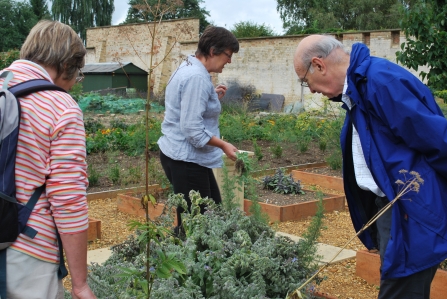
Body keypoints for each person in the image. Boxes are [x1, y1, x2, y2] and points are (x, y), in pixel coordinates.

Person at [293, 35, 447, 299]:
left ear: (319, 65)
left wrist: (423, 206)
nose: (311, 90)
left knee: (401, 289)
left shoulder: (380, 82)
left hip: (412, 210)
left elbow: (438, 140)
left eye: (305, 81)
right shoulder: (359, 88)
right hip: (394, 209)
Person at [0, 20, 95, 298]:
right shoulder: (61, 106)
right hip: (25, 251)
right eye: (77, 74)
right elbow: (68, 200)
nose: (75, 84)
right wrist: (80, 283)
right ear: (67, 66)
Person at [157, 26, 239, 230]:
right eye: (227, 55)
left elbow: (186, 102)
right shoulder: (197, 78)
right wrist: (223, 145)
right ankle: (183, 260)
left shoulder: (187, 66)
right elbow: (193, 130)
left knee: (208, 215)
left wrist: (210, 95)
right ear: (212, 51)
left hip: (178, 156)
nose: (229, 61)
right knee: (197, 227)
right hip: (186, 160)